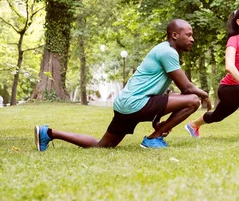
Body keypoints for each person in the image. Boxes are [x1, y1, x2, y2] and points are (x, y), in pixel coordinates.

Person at [34, 19, 211, 150]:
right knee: (193, 100)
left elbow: (161, 94)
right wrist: (206, 95)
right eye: (189, 35)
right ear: (175, 35)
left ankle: (48, 133)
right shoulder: (168, 52)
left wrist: (157, 120)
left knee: (101, 146)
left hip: (125, 104)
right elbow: (187, 89)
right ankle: (153, 139)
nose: (192, 39)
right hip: (135, 104)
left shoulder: (163, 50)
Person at [185, 7, 239, 141]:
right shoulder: (234, 40)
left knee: (217, 116)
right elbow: (229, 66)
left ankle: (193, 125)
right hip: (228, 89)